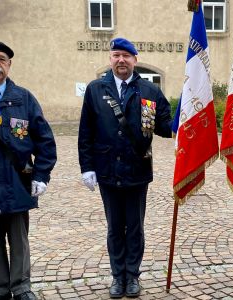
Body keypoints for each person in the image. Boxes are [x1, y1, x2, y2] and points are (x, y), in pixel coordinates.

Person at [77, 37, 172, 298]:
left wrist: (185, 114)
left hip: (137, 170)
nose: (121, 60)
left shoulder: (149, 91)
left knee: (135, 227)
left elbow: (165, 126)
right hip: (107, 170)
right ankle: (117, 276)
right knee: (115, 227)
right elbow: (86, 131)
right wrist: (87, 167)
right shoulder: (96, 89)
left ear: (134, 60)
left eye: (126, 56)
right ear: (110, 59)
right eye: (116, 55)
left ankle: (133, 276)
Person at [0, 40, 57, 300]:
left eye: (2, 60)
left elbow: (45, 141)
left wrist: (41, 175)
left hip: (18, 180)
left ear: (9, 65)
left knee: (19, 241)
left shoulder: (23, 98)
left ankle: (21, 287)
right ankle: (1, 288)